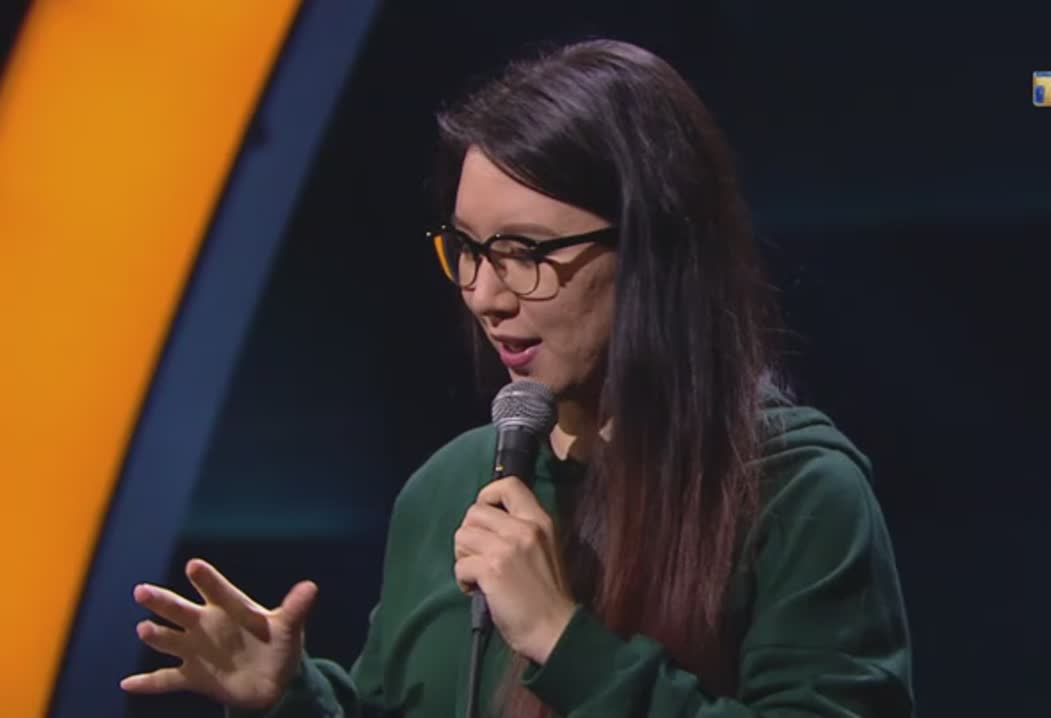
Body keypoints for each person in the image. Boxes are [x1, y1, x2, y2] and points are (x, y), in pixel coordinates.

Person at [121, 38, 913, 717]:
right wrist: (292, 695)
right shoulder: (449, 490)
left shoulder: (794, 492)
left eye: (526, 254)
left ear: (653, 248)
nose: (486, 296)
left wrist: (563, 641)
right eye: (468, 249)